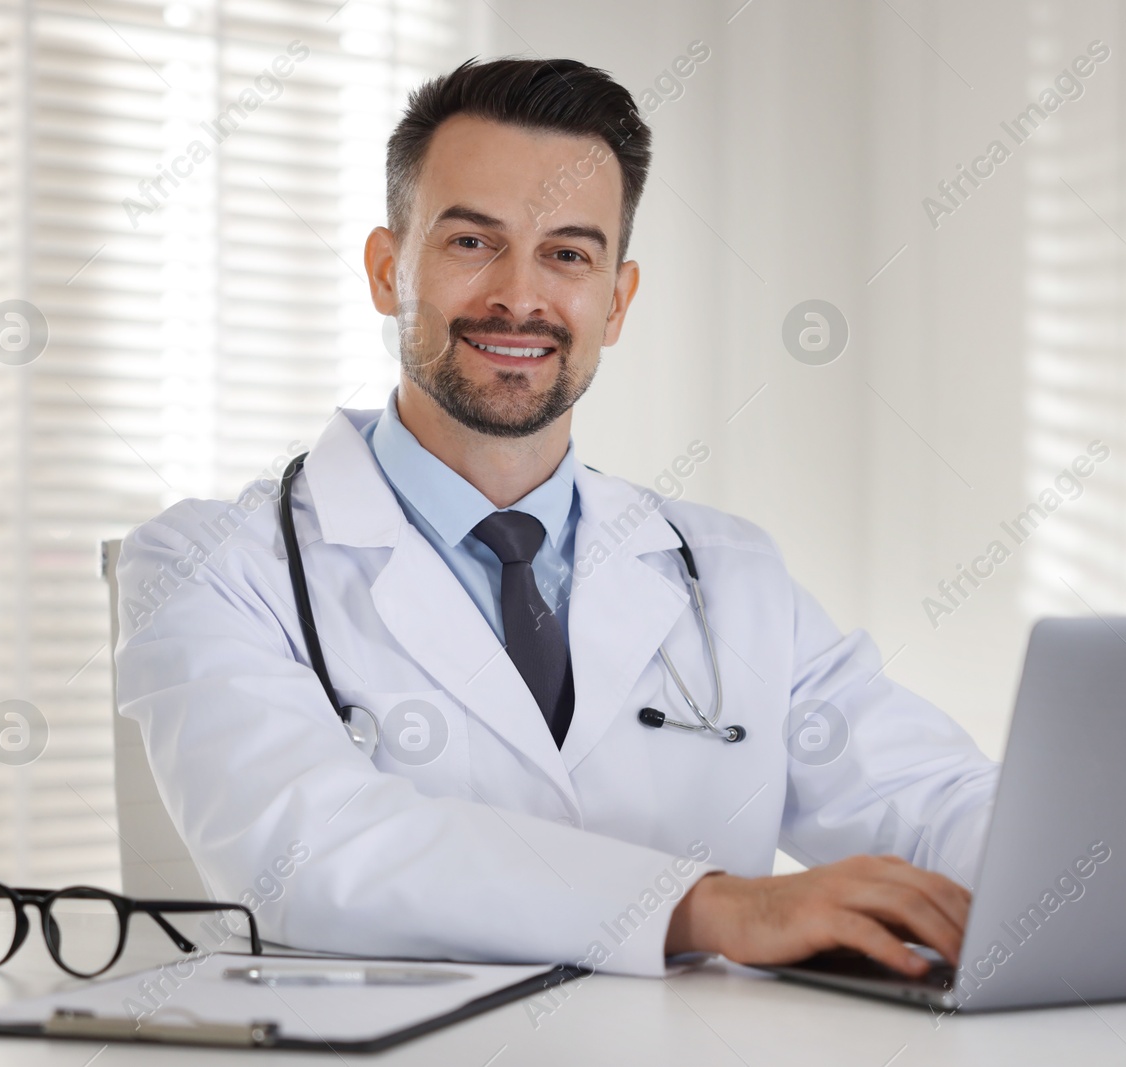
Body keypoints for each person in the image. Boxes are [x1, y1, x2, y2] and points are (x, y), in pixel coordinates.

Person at [115, 56, 998, 979]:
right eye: (471, 243)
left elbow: (934, 799)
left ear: (615, 301)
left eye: (569, 254)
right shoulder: (210, 564)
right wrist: (709, 907)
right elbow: (306, 850)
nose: (521, 296)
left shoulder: (729, 575)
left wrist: (1091, 873)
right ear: (388, 271)